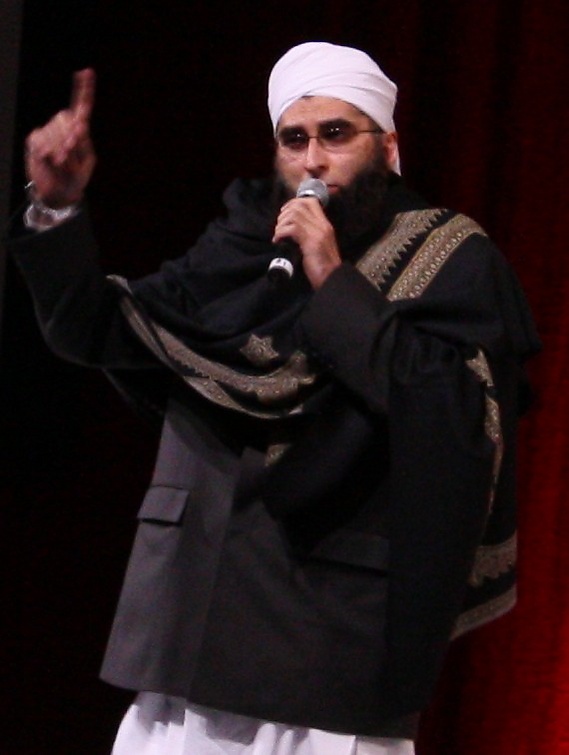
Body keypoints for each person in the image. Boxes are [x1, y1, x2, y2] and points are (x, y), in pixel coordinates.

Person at [8, 42, 540, 755]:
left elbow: (454, 418)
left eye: (336, 134)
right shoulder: (238, 243)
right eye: (294, 139)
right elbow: (98, 328)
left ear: (388, 147)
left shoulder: (452, 258)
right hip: (187, 620)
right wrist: (56, 207)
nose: (313, 161)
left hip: (322, 637)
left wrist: (334, 281)